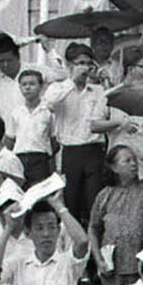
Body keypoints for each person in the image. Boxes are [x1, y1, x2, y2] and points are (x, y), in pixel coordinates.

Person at [43, 45, 120, 222]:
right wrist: (72, 81)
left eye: (88, 64)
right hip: (71, 151)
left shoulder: (97, 90)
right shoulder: (59, 88)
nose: (85, 68)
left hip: (94, 149)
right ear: (70, 65)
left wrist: (105, 82)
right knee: (71, 202)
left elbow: (103, 115)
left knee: (95, 201)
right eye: (80, 63)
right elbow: (49, 103)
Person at [89, 143, 143, 285]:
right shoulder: (104, 195)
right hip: (111, 268)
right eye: (127, 160)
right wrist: (98, 259)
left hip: (138, 266)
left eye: (134, 160)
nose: (133, 164)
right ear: (114, 167)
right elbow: (93, 228)